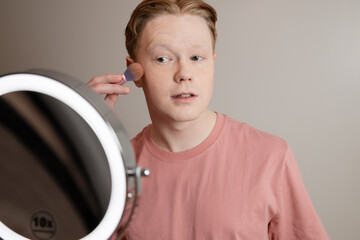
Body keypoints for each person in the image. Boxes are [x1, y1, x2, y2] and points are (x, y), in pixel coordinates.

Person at [87, 0, 330, 239]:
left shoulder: (271, 158)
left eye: (196, 57)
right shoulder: (113, 171)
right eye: (163, 59)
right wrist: (80, 143)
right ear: (134, 71)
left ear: (213, 62)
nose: (184, 74)